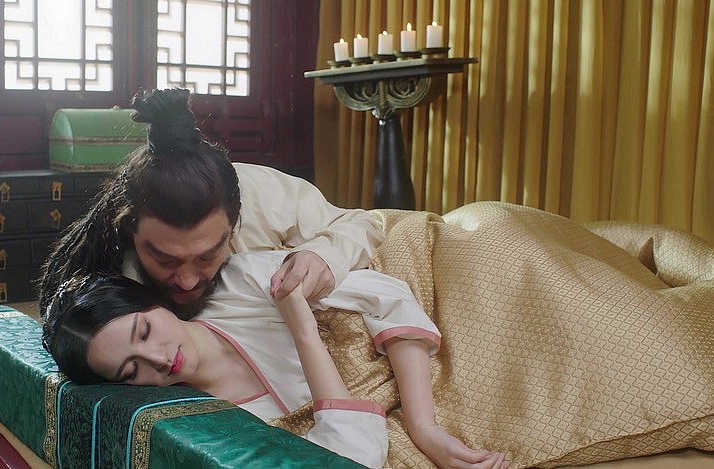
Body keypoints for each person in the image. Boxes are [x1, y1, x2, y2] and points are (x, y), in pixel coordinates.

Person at [42, 249, 511, 469]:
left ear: (155, 301)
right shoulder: (221, 427)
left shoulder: (243, 283)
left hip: (436, 273)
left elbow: (386, 294)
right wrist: (303, 328)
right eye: (132, 370)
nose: (158, 359)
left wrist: (423, 426)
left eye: (144, 331)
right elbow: (351, 458)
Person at [37, 88, 384, 322]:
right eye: (165, 260)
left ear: (235, 219)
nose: (188, 282)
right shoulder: (111, 273)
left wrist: (324, 254)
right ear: (130, 232)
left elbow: (361, 222)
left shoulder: (261, 193)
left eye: (207, 256)